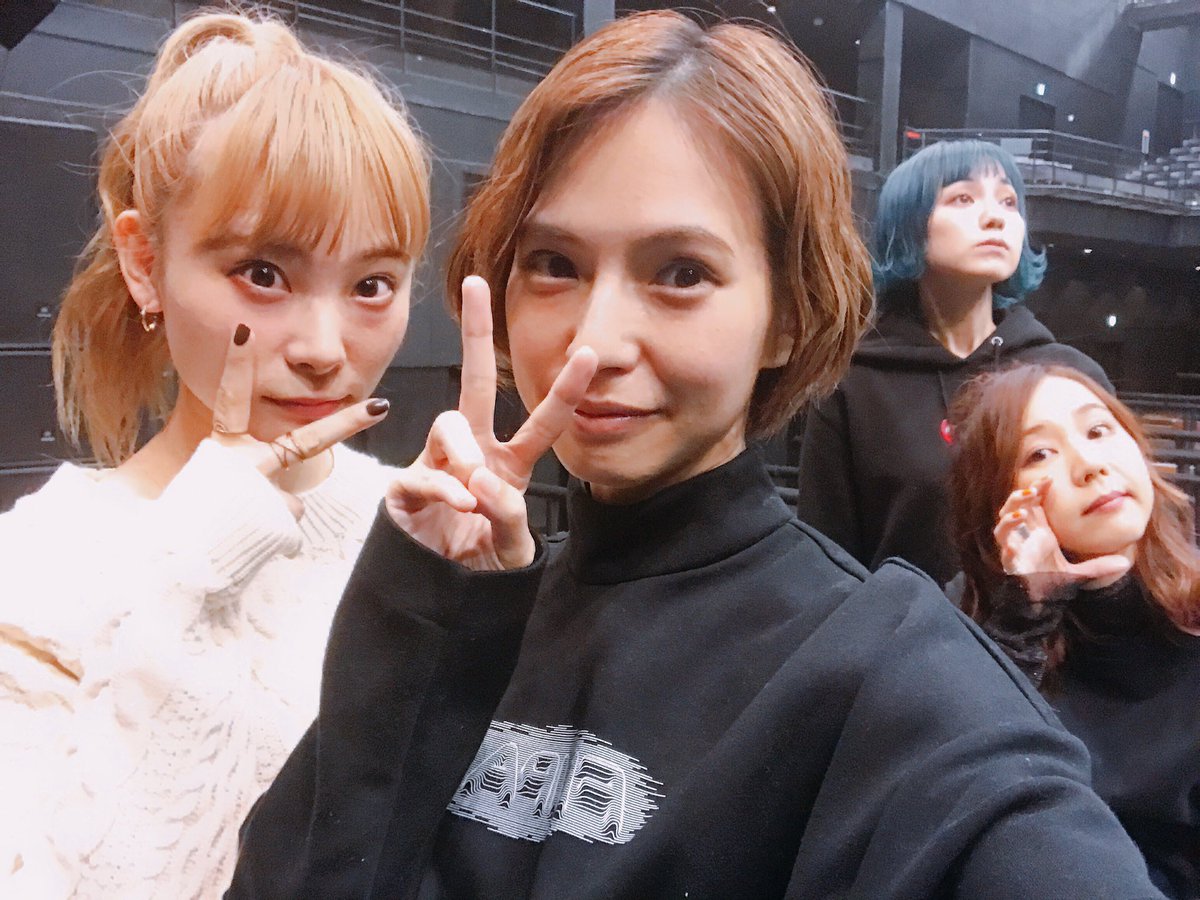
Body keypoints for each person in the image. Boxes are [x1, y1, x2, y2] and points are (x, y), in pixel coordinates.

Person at [229, 12, 1162, 898]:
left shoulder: (888, 672)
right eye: (555, 264)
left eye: (681, 273)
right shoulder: (471, 613)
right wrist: (420, 619)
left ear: (787, 315)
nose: (596, 342)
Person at [0, 10, 429, 896]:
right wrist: (195, 564)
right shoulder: (41, 567)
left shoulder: (423, 525)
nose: (323, 347)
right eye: (262, 274)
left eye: (372, 285)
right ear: (144, 261)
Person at [796, 139, 1110, 587]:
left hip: (1057, 627)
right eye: (963, 198)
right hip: (903, 630)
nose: (995, 216)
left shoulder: (1069, 374)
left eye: (1008, 201)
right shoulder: (850, 384)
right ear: (909, 224)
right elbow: (829, 563)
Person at [948, 362, 1200, 898]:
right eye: (1040, 454)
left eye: (1098, 430)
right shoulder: (972, 628)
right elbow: (974, 815)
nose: (1089, 465)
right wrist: (1027, 612)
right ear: (1000, 503)